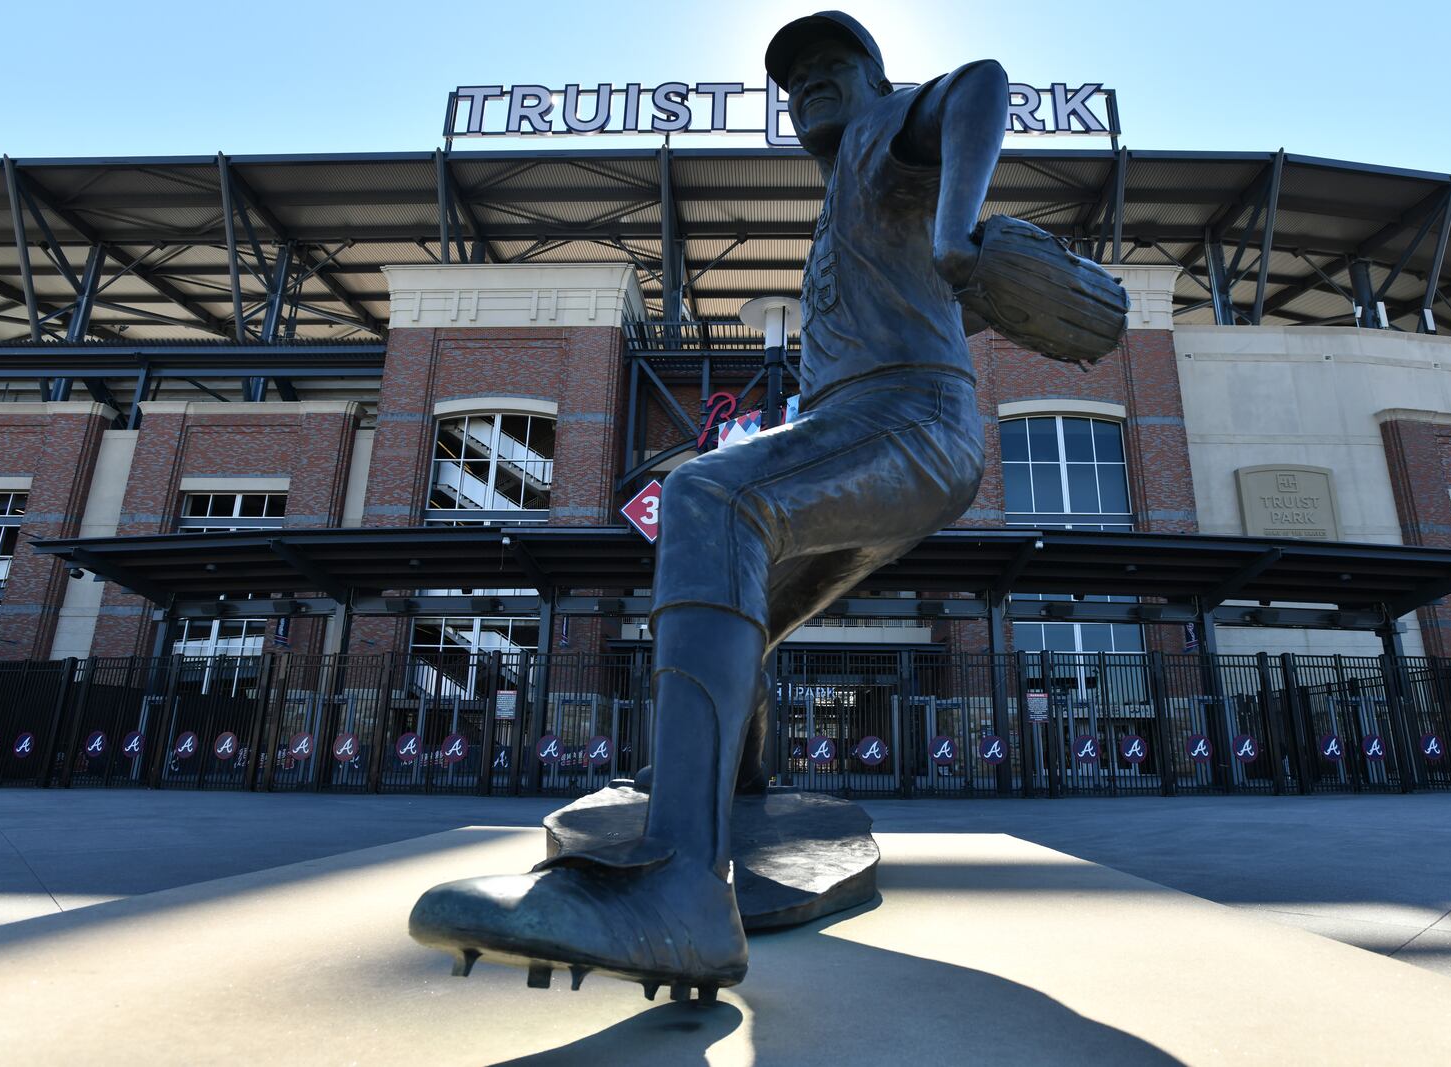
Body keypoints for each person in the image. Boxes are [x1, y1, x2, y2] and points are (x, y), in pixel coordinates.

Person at [409, 11, 1009, 1001]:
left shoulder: (886, 129)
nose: (809, 82)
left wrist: (958, 233)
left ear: (875, 76)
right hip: (888, 435)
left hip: (904, 425)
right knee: (747, 596)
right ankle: (727, 789)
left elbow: (982, 80)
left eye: (832, 64)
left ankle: (678, 882)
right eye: (794, 77)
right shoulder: (855, 186)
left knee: (704, 494)